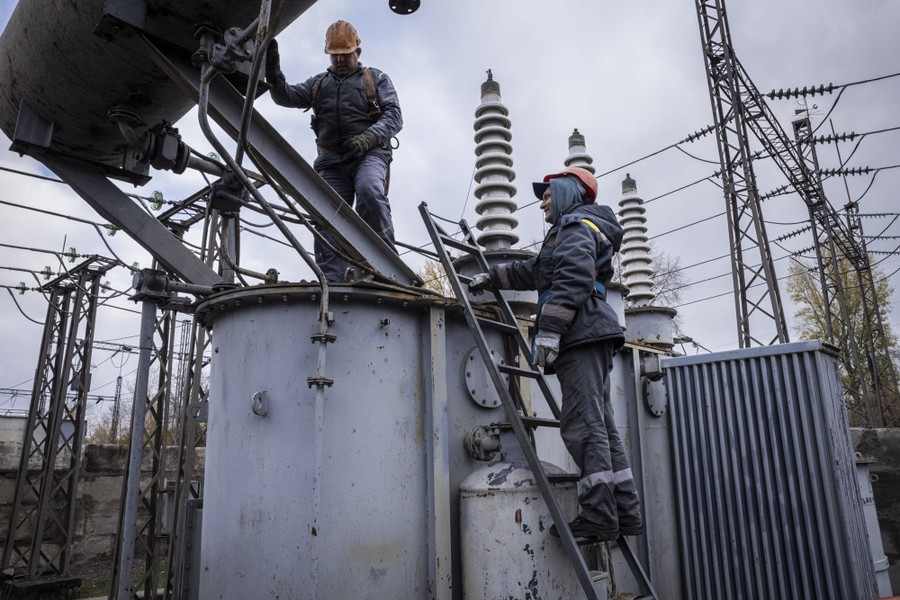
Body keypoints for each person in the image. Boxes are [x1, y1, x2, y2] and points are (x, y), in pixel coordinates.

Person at [468, 166, 643, 541]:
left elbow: (574, 277)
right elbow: (537, 271)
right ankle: (624, 510)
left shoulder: (576, 226)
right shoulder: (574, 229)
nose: (542, 202)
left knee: (582, 424)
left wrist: (549, 330)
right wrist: (493, 278)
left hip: (579, 333)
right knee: (602, 426)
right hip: (591, 332)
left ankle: (599, 515)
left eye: (547, 194)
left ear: (568, 190)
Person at [265, 20, 402, 281]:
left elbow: (394, 116)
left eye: (345, 55)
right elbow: (286, 96)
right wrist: (273, 73)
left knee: (370, 191)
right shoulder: (319, 84)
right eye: (334, 55)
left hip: (368, 155)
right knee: (326, 212)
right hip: (331, 162)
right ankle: (332, 278)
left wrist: (367, 138)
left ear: (357, 53)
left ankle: (386, 267)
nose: (339, 60)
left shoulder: (375, 79)